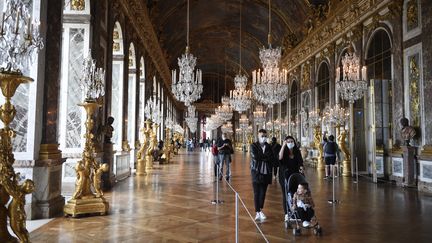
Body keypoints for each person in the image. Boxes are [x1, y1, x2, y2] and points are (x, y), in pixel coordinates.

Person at [250, 129, 276, 221]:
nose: (264, 138)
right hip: (256, 172)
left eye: (265, 136)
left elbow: (272, 158)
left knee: (263, 193)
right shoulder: (253, 145)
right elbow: (255, 157)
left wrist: (263, 157)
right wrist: (266, 157)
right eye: (262, 136)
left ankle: (260, 210)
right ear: (258, 136)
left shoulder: (269, 146)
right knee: (256, 193)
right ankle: (258, 212)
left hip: (266, 172)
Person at [279, 135, 304, 222]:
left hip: (296, 176)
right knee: (286, 194)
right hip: (285, 176)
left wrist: (301, 167)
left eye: (291, 141)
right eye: (288, 142)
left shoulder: (297, 151)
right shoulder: (284, 152)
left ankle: (296, 211)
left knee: (296, 194)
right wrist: (283, 145)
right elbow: (280, 158)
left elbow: (300, 161)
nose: (290, 143)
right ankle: (287, 213)